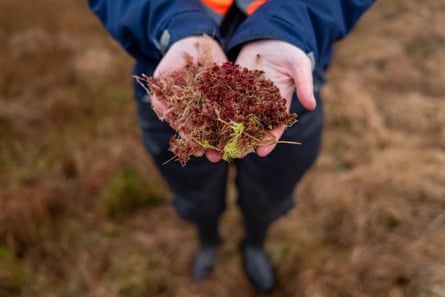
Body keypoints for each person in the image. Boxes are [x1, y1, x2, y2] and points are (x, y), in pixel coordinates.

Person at [88, 0, 374, 293]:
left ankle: (254, 241)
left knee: (270, 186)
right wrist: (175, 22)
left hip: (285, 75)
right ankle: (207, 237)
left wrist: (290, 23)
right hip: (176, 77)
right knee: (194, 186)